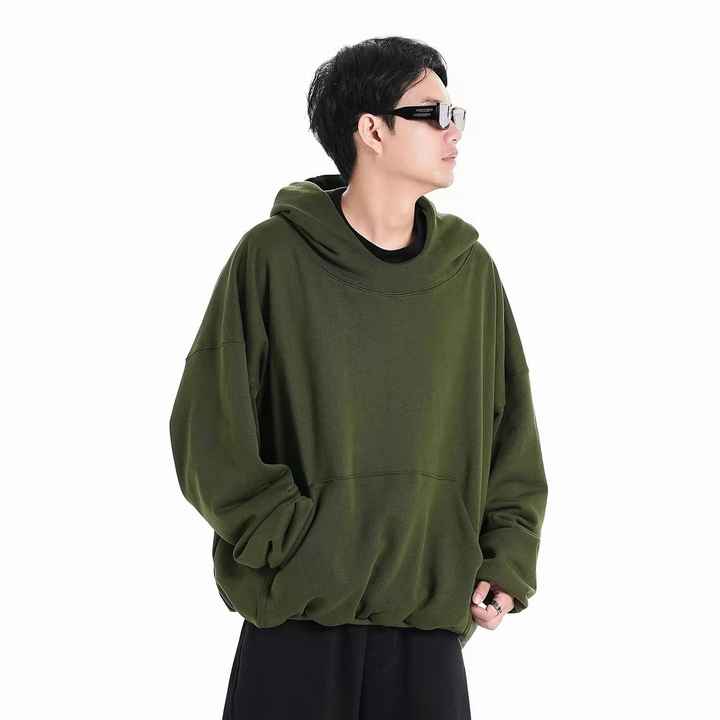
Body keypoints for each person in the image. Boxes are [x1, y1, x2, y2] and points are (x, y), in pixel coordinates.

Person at [169, 35, 548, 720]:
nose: (454, 131)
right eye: (433, 114)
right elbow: (208, 432)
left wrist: (506, 558)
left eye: (455, 114)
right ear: (371, 130)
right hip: (296, 628)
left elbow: (512, 436)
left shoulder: (470, 275)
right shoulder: (273, 257)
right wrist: (296, 542)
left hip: (428, 631)